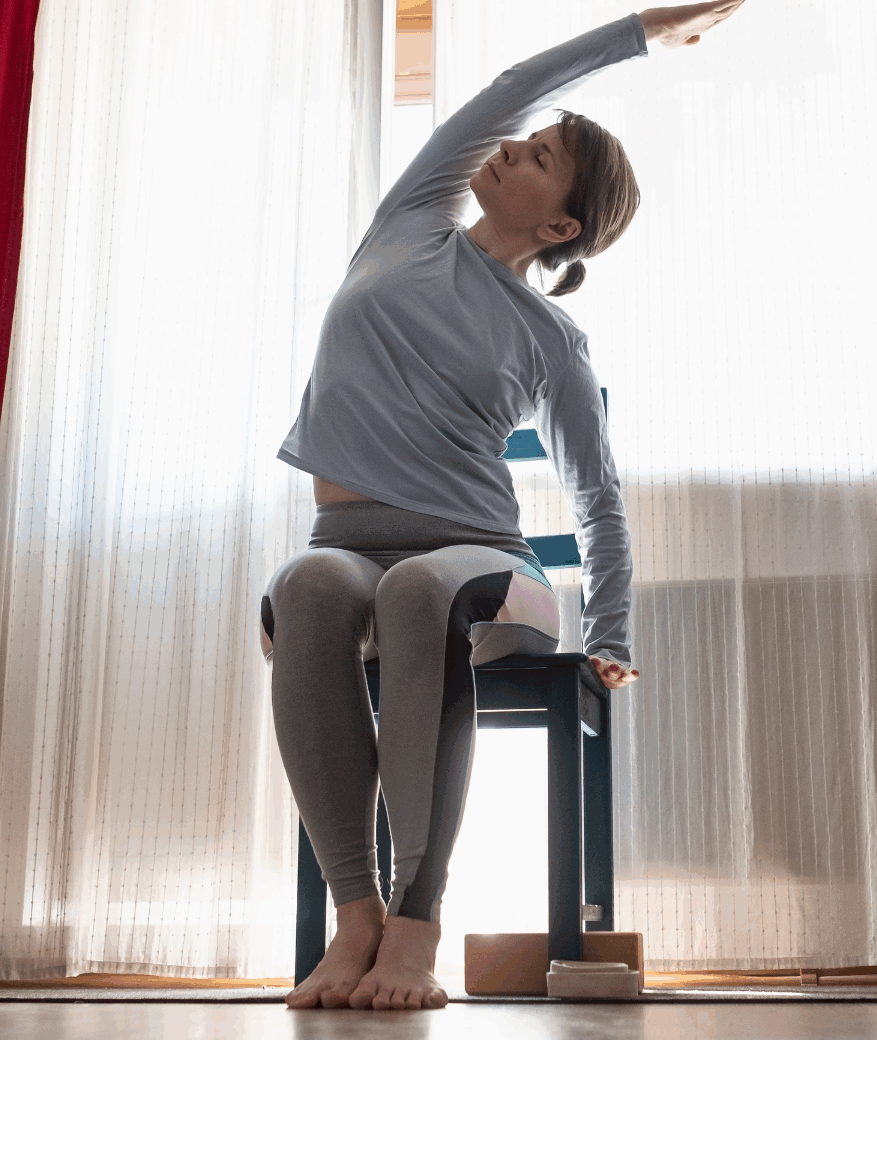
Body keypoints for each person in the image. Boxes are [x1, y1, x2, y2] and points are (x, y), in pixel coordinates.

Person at [262, 2, 746, 1011]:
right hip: (345, 540)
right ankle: (356, 917)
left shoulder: (553, 340)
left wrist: (609, 630)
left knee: (419, 597)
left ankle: (418, 923)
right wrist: (646, 30)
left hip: (485, 563)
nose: (515, 146)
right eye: (526, 140)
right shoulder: (411, 219)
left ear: (561, 225)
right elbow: (509, 89)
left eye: (541, 157)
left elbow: (597, 497)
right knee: (308, 587)